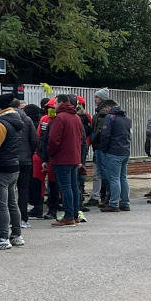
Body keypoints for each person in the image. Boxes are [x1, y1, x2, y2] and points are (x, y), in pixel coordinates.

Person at [0, 93, 25, 249]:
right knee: (12, 204)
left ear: (1, 107)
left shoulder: (0, 124)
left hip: (0, 167)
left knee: (1, 205)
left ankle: (3, 237)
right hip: (14, 166)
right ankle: (17, 235)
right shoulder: (17, 121)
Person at [47, 94, 84, 227]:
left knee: (66, 187)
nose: (54, 106)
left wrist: (51, 153)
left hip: (62, 158)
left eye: (55, 103)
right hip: (74, 157)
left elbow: (53, 140)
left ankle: (69, 216)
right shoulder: (76, 117)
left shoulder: (60, 118)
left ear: (61, 103)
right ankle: (74, 214)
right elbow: (81, 138)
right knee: (74, 186)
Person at [96, 103, 131, 212]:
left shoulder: (110, 118)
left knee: (114, 178)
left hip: (113, 152)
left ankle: (114, 203)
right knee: (123, 178)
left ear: (108, 107)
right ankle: (125, 203)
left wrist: (103, 149)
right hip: (125, 151)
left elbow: (105, 135)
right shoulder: (126, 119)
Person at [13, 99, 38, 230]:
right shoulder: (27, 120)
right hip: (26, 160)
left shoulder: (5, 119)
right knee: (23, 190)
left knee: (9, 191)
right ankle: (23, 218)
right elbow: (34, 140)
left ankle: (12, 219)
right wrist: (29, 153)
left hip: (10, 160)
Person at [88, 88, 115, 206]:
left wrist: (92, 139)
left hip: (100, 147)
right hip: (101, 147)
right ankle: (101, 195)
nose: (95, 99)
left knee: (100, 173)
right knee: (101, 173)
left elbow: (99, 131)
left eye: (97, 97)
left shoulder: (102, 113)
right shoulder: (101, 111)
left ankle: (100, 196)